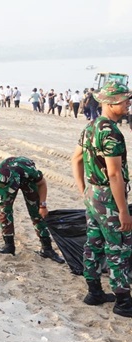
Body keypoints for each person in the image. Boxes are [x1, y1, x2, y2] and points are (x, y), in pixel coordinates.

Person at [71, 81, 132, 317]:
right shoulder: (112, 132)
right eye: (124, 100)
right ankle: (123, 301)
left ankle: (94, 291)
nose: (127, 104)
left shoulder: (91, 127)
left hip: (93, 195)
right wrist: (123, 211)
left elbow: (75, 159)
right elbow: (115, 174)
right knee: (118, 246)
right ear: (110, 103)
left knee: (93, 243)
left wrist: (83, 189)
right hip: (108, 197)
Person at [0, 157, 64, 262]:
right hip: (12, 177)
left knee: (36, 211)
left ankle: (47, 248)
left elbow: (42, 183)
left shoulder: (29, 172)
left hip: (24, 177)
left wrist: (43, 206)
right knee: (5, 210)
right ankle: (9, 246)